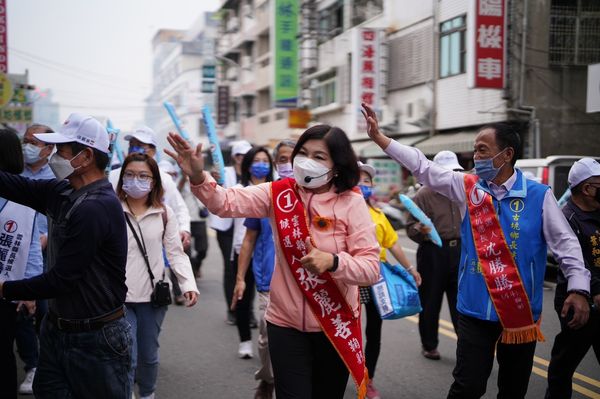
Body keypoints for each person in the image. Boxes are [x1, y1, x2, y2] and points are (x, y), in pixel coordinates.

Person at [361, 103, 591, 399]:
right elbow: (423, 167)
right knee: (467, 386)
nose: (475, 157)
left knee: (513, 388)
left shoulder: (539, 196)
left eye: (482, 150)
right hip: (473, 308)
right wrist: (380, 139)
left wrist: (579, 288)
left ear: (506, 155)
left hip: (519, 312)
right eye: (475, 150)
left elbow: (567, 246)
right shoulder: (468, 187)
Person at [166, 125, 380, 398]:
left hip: (333, 324)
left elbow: (371, 268)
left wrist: (334, 261)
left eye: (319, 157)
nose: (307, 161)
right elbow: (224, 202)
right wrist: (197, 174)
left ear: (337, 166)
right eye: (302, 153)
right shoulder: (278, 193)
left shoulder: (352, 202)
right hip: (284, 323)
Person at [0, 113, 131, 398]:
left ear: (85, 157)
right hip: (57, 330)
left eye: (61, 151)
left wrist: (5, 288)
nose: (53, 157)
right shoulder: (63, 190)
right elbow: (13, 185)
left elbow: (62, 279)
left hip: (97, 337)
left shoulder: (96, 207)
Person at [116, 152, 199, 399]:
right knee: (126, 353)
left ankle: (147, 394)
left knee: (148, 354)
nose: (135, 180)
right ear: (121, 179)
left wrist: (187, 284)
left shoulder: (164, 213)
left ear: (154, 182)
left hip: (153, 297)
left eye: (143, 176)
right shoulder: (110, 210)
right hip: (118, 296)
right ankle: (126, 393)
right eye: (129, 175)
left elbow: (175, 253)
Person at [231, 139, 295, 399]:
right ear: (275, 164)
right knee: (267, 339)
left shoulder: (317, 195)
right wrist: (240, 279)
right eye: (282, 159)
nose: (288, 163)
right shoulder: (267, 194)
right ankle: (268, 379)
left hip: (305, 284)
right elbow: (248, 239)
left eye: (293, 157)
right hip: (269, 280)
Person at [357, 161, 422, 399]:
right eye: (357, 179)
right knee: (347, 330)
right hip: (347, 278)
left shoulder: (378, 215)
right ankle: (343, 372)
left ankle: (368, 379)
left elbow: (393, 243)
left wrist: (410, 268)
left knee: (374, 330)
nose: (362, 184)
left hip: (375, 279)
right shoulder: (338, 210)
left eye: (366, 181)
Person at [545, 158, 600, 398]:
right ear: (587, 188)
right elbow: (575, 262)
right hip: (578, 301)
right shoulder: (566, 218)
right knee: (565, 363)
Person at [405, 150, 463, 361]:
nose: (450, 175)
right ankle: (429, 345)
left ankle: (466, 345)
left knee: (461, 301)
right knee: (430, 301)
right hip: (432, 253)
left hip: (460, 250)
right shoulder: (423, 195)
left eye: (454, 171)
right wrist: (421, 228)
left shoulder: (462, 190)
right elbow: (410, 228)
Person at [0, 127, 43, 399]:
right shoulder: (27, 191)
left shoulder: (24, 192)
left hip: (7, 289)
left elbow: (31, 242)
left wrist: (29, 290)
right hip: (11, 289)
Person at [15, 123, 56, 394]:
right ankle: (32, 364)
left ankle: (49, 363)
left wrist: (46, 238)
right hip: (16, 252)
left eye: (34, 142)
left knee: (46, 312)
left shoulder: (56, 176)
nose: (28, 146)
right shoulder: (13, 172)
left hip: (49, 255)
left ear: (50, 148)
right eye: (25, 140)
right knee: (21, 310)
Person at [109, 126, 192, 251]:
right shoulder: (113, 176)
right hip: (119, 242)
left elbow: (179, 207)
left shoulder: (164, 179)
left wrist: (184, 229)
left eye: (140, 145)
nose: (135, 149)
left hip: (153, 244)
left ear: (153, 151)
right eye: (132, 144)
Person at [231, 147, 273, 359]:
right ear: (248, 165)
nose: (261, 164)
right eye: (256, 160)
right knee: (243, 297)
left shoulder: (276, 190)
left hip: (267, 253)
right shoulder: (239, 190)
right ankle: (245, 340)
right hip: (243, 250)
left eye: (265, 160)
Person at [208, 139, 253, 325]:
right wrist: (213, 178)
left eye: (246, 155)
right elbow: (213, 187)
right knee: (231, 266)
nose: (243, 158)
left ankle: (247, 310)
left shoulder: (255, 173)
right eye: (239, 155)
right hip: (226, 227)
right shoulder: (224, 173)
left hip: (247, 227)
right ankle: (232, 310)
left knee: (249, 269)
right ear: (234, 157)